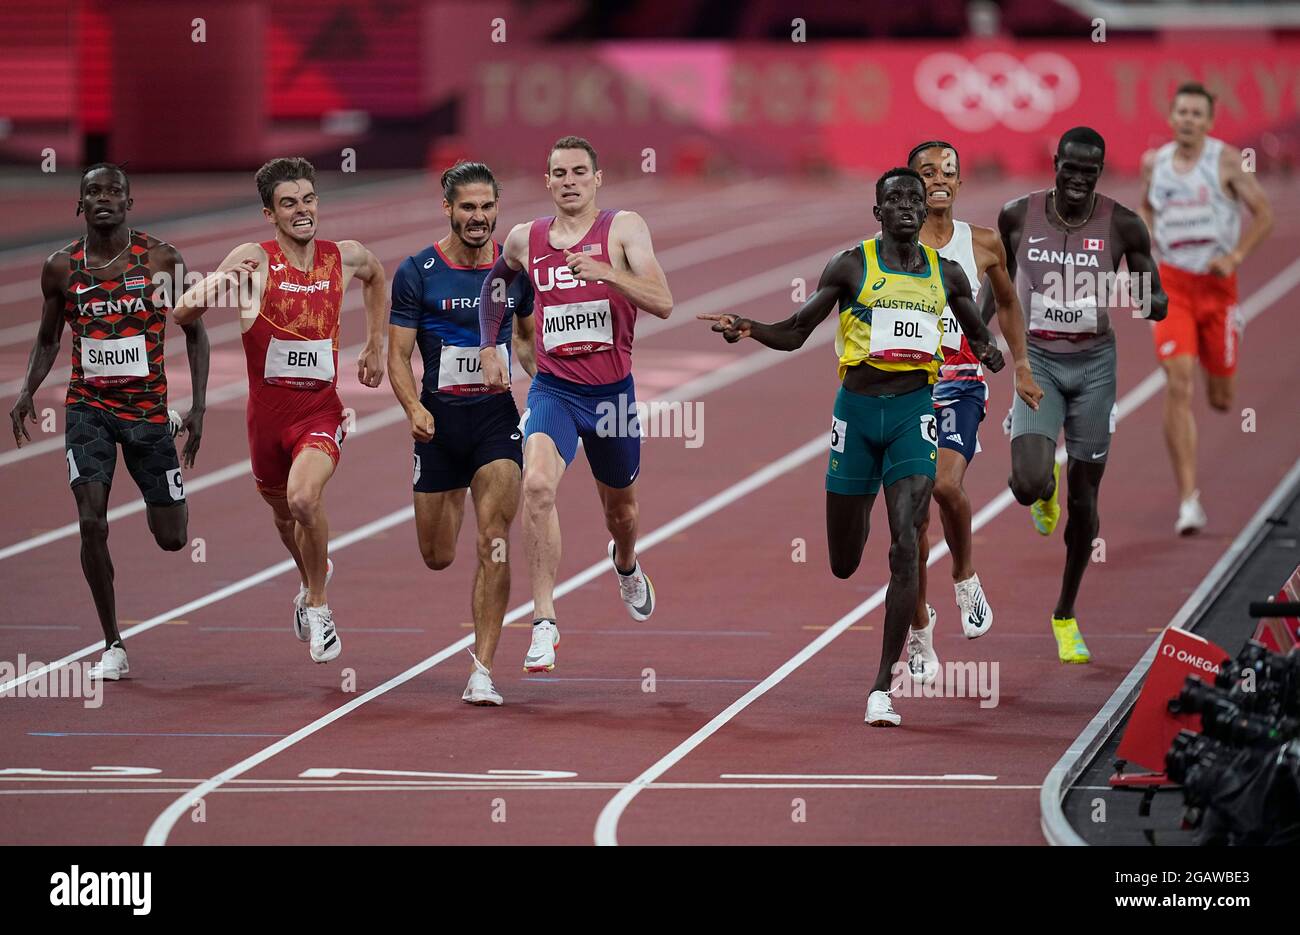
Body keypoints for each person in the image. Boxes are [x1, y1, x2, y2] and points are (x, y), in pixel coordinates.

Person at [701, 168, 1004, 727]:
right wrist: (748, 326)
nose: (909, 206)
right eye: (896, 200)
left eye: (916, 198)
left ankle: (881, 687)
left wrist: (988, 349)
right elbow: (796, 331)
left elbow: (973, 328)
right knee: (844, 560)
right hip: (857, 415)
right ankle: (863, 515)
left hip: (915, 412)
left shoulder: (949, 273)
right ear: (878, 212)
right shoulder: (853, 266)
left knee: (906, 544)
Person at [175, 157, 387, 664]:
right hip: (265, 424)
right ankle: (312, 576)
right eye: (289, 203)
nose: (302, 210)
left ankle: (318, 605)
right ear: (269, 213)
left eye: (308, 199)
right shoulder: (255, 258)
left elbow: (378, 276)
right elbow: (183, 311)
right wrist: (223, 281)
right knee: (285, 515)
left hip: (320, 414)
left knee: (304, 499)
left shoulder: (344, 255)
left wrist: (375, 343)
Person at [476, 136, 673, 673]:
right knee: (536, 485)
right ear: (547, 182)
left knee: (622, 513)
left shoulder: (625, 228)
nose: (569, 181)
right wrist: (489, 347)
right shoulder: (525, 238)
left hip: (611, 397)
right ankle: (543, 621)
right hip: (555, 391)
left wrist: (608, 272)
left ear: (597, 178)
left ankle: (626, 564)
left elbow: (663, 302)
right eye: (559, 173)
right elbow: (496, 286)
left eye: (579, 172)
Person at [9, 163, 210, 681]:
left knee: (172, 537)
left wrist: (199, 406)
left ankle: (160, 461)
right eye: (93, 191)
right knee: (91, 520)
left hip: (146, 412)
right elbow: (50, 337)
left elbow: (194, 333)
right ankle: (113, 643)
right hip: (88, 408)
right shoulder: (60, 267)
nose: (103, 199)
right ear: (79, 204)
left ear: (129, 202)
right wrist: (27, 390)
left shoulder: (162, 259)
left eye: (114, 192)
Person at [998, 127, 1168, 664]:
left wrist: (1155, 299)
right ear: (1055, 164)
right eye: (1069, 168)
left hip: (1095, 366)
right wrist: (977, 338)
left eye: (1088, 172)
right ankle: (1042, 485)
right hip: (1040, 361)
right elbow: (996, 283)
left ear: (1100, 172)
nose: (1077, 180)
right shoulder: (1017, 216)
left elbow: (1150, 296)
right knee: (1027, 484)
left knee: (1085, 504)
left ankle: (1065, 614)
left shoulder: (1122, 225)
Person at [388, 161, 534, 705]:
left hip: (496, 422)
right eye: (468, 207)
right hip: (437, 427)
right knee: (438, 554)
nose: (479, 218)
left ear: (498, 209)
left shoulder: (516, 272)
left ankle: (483, 670)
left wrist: (543, 388)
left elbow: (523, 339)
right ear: (447, 208)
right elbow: (398, 357)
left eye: (487, 207)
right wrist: (411, 409)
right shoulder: (417, 272)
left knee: (493, 540)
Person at [903, 141, 1043, 684]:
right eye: (928, 172)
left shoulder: (981, 243)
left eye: (949, 172)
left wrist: (1023, 364)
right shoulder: (889, 246)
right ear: (911, 182)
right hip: (905, 386)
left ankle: (964, 574)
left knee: (942, 487)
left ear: (960, 183)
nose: (940, 179)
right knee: (909, 518)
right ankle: (919, 626)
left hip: (960, 382)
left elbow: (1007, 301)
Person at [1139, 82, 1273, 534]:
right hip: (1173, 286)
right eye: (1182, 112)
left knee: (1220, 399)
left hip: (1218, 289)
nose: (1189, 120)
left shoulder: (1227, 161)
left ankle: (1224, 340)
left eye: (1198, 113)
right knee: (1177, 383)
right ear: (1172, 117)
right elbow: (1144, 206)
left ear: (1209, 121)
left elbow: (1265, 214)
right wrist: (1149, 243)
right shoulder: (1153, 164)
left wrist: (1235, 256)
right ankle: (1188, 502)